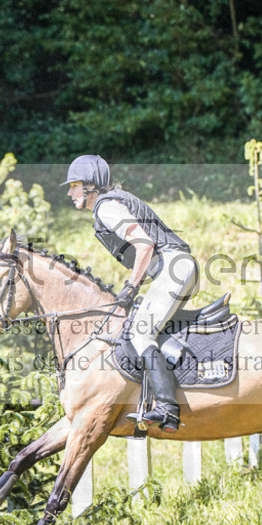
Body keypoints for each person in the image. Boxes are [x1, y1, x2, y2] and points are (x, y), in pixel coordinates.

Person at [61, 154, 199, 432]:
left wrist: (132, 286)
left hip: (174, 267)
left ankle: (167, 408)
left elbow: (145, 244)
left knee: (141, 332)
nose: (69, 191)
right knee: (145, 326)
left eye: (74, 184)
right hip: (176, 267)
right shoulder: (111, 203)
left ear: (90, 185)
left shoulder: (106, 207)